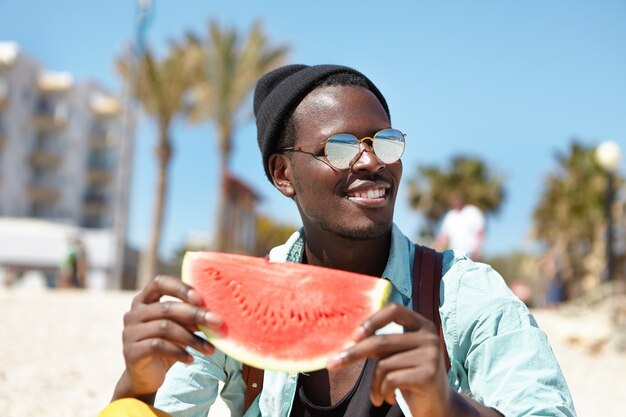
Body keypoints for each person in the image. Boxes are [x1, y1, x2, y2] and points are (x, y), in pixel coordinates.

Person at [103, 64, 575, 417]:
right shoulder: (229, 304)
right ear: (283, 174)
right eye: (342, 147)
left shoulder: (464, 296)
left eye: (384, 142)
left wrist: (448, 408)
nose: (372, 161)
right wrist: (137, 386)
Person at [432, 192, 485, 261]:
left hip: (471, 255)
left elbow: (480, 232)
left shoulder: (472, 211)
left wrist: (477, 251)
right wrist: (432, 252)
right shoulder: (450, 216)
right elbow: (443, 238)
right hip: (455, 256)